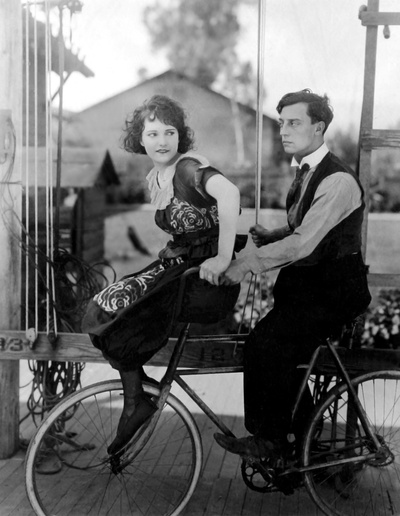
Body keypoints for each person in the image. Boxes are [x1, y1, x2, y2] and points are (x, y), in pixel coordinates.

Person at [82, 95, 244, 455]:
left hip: (205, 280)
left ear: (179, 136)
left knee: (122, 311)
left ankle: (135, 402)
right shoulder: (160, 176)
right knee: (105, 304)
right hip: (180, 268)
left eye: (170, 132)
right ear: (140, 139)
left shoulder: (187, 168)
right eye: (153, 133)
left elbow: (230, 194)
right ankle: (136, 394)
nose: (162, 141)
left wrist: (222, 257)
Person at [214, 89, 371, 460]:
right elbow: (309, 225)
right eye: (282, 122)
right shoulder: (308, 171)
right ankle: (301, 451)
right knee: (283, 358)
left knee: (264, 345)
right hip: (309, 289)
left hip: (334, 292)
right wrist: (273, 235)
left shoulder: (337, 180)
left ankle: (269, 440)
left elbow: (304, 242)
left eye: (294, 123)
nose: (284, 130)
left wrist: (245, 264)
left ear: (319, 127)